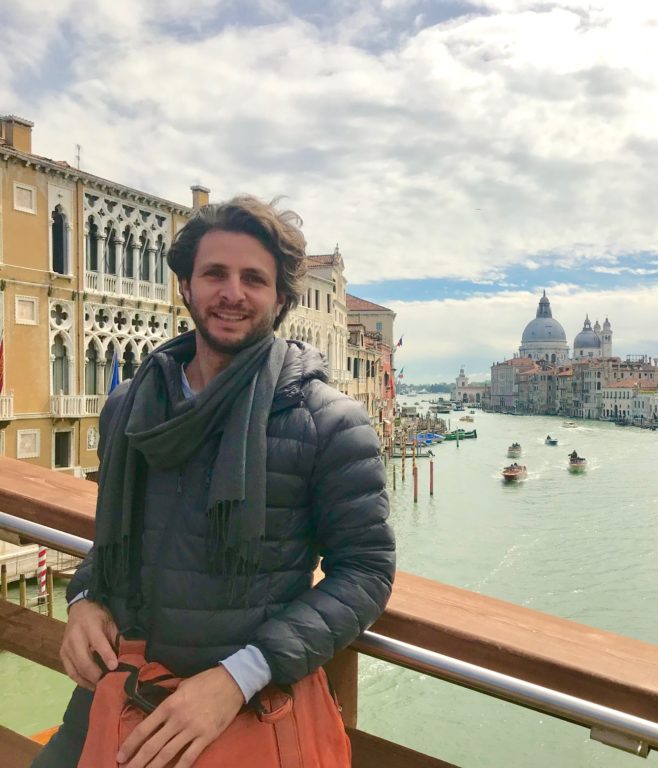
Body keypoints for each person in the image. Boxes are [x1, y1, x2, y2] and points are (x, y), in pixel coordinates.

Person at [34, 196, 395, 768]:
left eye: (254, 279)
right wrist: (82, 599)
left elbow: (366, 572)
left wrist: (237, 677)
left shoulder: (328, 422)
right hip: (119, 691)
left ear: (281, 299)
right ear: (186, 286)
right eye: (215, 274)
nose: (233, 293)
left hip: (245, 708)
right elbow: (116, 541)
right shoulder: (130, 405)